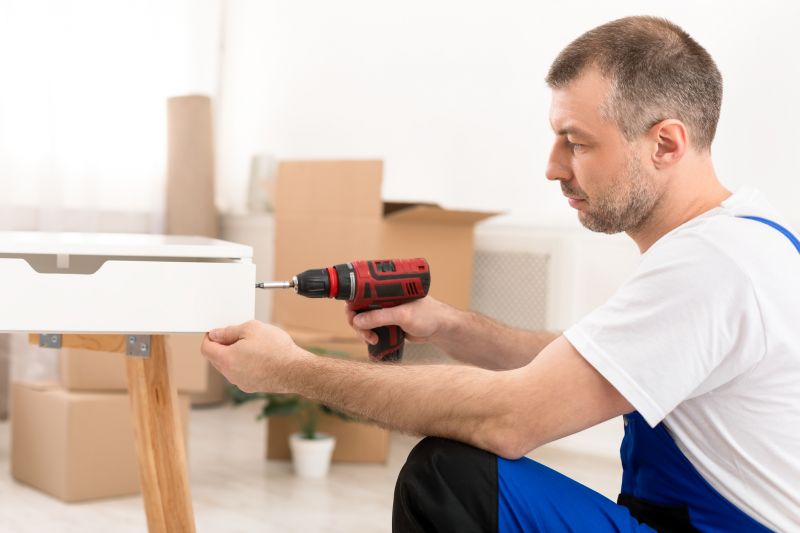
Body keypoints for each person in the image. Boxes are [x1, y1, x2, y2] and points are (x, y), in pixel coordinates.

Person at [201, 16, 799, 532]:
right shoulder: (745, 235)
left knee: (451, 478)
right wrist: (446, 325)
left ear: (665, 143)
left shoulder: (710, 264)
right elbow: (588, 362)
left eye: (576, 142)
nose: (552, 166)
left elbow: (510, 419)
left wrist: (291, 369)